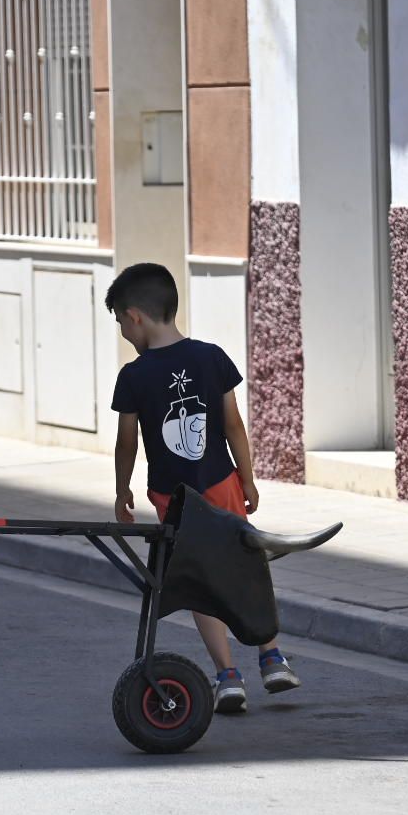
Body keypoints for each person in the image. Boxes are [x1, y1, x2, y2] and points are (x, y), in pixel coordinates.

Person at [108, 262, 300, 714]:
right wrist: (247, 478)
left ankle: (227, 676)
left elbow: (127, 441)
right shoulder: (210, 356)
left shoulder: (133, 376)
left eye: (119, 321)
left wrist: (121, 490)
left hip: (171, 498)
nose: (122, 332)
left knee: (198, 581)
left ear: (135, 315)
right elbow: (233, 425)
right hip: (220, 481)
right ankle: (271, 657)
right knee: (244, 566)